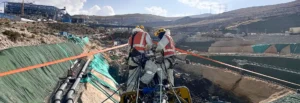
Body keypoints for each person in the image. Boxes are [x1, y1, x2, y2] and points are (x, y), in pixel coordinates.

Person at [126, 25, 153, 92]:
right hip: (140, 57)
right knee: (152, 69)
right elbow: (150, 44)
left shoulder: (131, 37)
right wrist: (146, 50)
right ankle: (142, 84)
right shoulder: (144, 34)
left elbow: (128, 49)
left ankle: (129, 93)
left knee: (132, 77)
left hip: (132, 58)